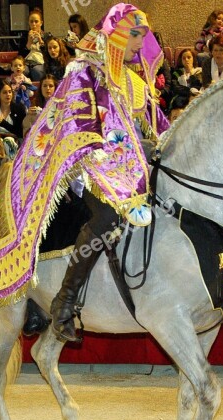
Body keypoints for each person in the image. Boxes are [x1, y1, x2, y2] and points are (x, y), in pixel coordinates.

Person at [37, 4, 169, 342]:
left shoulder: (134, 82)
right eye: (137, 35)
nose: (143, 43)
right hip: (88, 170)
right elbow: (78, 129)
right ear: (120, 36)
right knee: (109, 214)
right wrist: (114, 162)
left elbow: (160, 126)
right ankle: (65, 299)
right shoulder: (84, 73)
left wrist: (167, 144)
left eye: (144, 36)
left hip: (128, 171)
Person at [21, 8, 54, 82]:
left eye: (36, 21)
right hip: (27, 62)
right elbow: (21, 55)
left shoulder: (47, 36)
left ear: (41, 23)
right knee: (22, 71)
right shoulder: (24, 36)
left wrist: (40, 41)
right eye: (31, 22)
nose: (34, 24)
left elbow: (49, 54)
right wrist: (29, 42)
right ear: (28, 23)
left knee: (37, 71)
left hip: (41, 62)